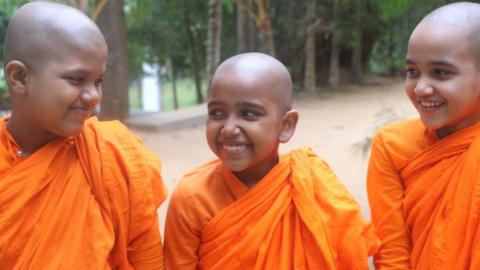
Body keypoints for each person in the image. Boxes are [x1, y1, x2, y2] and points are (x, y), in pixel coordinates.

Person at [164, 52, 378, 270]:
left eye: (248, 114)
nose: (228, 129)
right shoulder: (192, 196)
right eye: (217, 113)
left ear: (286, 126)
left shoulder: (311, 183)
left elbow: (349, 251)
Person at [0, 2, 167, 269]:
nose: (94, 97)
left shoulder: (114, 154)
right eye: (77, 80)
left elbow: (148, 260)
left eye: (98, 81)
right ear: (19, 77)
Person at [367, 2, 480, 269]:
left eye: (440, 73)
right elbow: (393, 254)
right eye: (412, 72)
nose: (421, 88)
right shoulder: (392, 146)